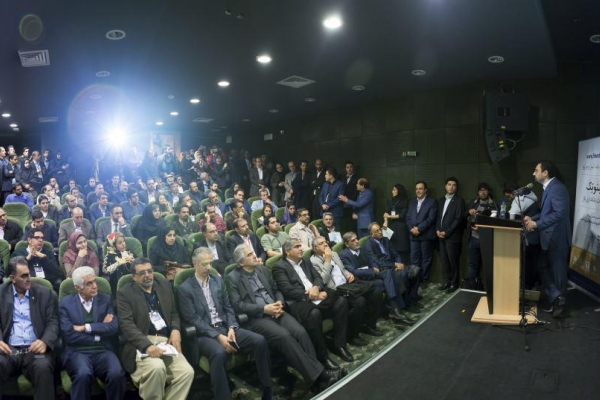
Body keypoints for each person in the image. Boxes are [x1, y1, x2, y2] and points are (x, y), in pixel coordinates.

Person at [226, 244, 341, 391]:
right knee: (285, 336)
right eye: (249, 255)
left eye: (253, 252)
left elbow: (276, 289)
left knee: (300, 332)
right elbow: (237, 305)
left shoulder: (262, 269)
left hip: (277, 310)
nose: (254, 255)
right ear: (241, 262)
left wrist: (279, 302)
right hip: (258, 318)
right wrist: (264, 309)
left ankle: (314, 379)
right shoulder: (232, 278)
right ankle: (320, 375)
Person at [177, 247, 274, 400]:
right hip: (204, 334)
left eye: (210, 263)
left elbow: (228, 308)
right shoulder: (185, 289)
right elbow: (193, 319)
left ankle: (268, 389)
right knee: (219, 352)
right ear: (194, 263)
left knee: (259, 341)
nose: (209, 267)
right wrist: (218, 336)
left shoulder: (218, 280)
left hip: (225, 327)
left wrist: (232, 328)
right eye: (204, 264)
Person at [117, 257, 194, 400]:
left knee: (186, 372)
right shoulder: (125, 293)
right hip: (141, 342)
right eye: (142, 273)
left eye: (149, 271)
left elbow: (174, 313)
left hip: (166, 342)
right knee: (157, 368)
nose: (147, 275)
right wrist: (146, 345)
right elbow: (127, 325)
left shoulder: (163, 285)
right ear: (134, 277)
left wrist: (175, 330)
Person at [273, 239, 352, 370]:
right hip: (300, 301)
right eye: (297, 246)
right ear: (287, 252)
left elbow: (317, 277)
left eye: (300, 246)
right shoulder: (279, 267)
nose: (301, 248)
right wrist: (310, 295)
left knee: (341, 301)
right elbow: (287, 290)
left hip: (317, 294)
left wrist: (316, 287)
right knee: (314, 314)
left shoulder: (305, 260)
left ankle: (339, 345)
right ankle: (323, 356)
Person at [58, 267, 127, 400]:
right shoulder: (66, 303)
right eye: (89, 284)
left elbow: (113, 327)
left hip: (103, 350)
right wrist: (99, 333)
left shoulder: (105, 300)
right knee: (83, 374)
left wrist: (86, 327)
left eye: (94, 281)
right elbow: (69, 335)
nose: (95, 286)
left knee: (116, 374)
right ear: (78, 287)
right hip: (77, 351)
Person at [0, 256, 59, 400]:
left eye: (29, 274)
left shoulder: (45, 293)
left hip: (34, 351)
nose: (29, 279)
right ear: (12, 278)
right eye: (24, 276)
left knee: (43, 366)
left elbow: (53, 322)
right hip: (9, 350)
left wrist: (44, 341)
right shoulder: (1, 293)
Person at [310, 236, 384, 346]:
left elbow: (343, 269)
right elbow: (322, 281)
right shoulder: (313, 261)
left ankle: (369, 324)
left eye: (325, 242)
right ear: (315, 249)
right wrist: (327, 261)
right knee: (359, 301)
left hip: (348, 284)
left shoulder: (334, 253)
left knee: (376, 292)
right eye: (321, 243)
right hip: (336, 290)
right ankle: (352, 335)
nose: (325, 244)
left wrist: (348, 274)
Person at [524, 161, 571, 317]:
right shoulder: (548, 188)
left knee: (558, 274)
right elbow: (547, 213)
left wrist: (537, 224)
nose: (533, 173)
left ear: (545, 172)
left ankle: (560, 306)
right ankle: (556, 297)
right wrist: (533, 218)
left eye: (536, 170)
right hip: (549, 238)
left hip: (557, 238)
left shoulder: (557, 188)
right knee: (542, 266)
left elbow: (559, 214)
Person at [362, 223, 420, 323]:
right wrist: (394, 265)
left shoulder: (385, 240)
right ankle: (405, 304)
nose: (380, 232)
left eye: (380, 229)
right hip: (383, 269)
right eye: (376, 231)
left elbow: (395, 254)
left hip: (394, 266)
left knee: (416, 270)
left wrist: (399, 264)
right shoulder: (368, 245)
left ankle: (412, 298)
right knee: (403, 275)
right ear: (371, 234)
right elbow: (376, 262)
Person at [503, 182, 540, 289]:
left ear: (513, 192)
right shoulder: (530, 196)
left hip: (529, 238)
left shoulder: (520, 199)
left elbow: (511, 217)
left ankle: (527, 289)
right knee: (532, 265)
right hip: (535, 236)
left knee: (527, 265)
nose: (509, 199)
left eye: (509, 196)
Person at [406, 181, 438, 287]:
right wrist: (411, 229)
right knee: (414, 258)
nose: (418, 191)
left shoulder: (432, 201)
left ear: (425, 190)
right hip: (413, 235)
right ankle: (414, 280)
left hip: (426, 235)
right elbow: (408, 217)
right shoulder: (412, 202)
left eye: (420, 189)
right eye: (416, 189)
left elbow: (431, 219)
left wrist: (419, 228)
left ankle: (424, 280)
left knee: (426, 259)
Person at [436, 177, 465, 293]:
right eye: (449, 184)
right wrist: (437, 230)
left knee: (453, 261)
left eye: (454, 185)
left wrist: (446, 232)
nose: (451, 187)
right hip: (440, 235)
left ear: (456, 187)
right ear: (445, 186)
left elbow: (458, 219)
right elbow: (438, 217)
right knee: (444, 261)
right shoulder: (441, 200)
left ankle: (454, 283)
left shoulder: (459, 200)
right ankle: (447, 281)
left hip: (452, 237)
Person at [466, 182, 498, 283]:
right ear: (478, 192)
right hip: (474, 238)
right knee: (472, 264)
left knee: (488, 265)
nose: (483, 192)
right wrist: (469, 212)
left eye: (485, 190)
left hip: (487, 239)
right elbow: (465, 217)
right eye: (480, 190)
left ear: (488, 192)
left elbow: (496, 222)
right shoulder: (473, 203)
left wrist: (481, 227)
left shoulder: (494, 205)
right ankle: (471, 285)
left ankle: (486, 286)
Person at [383, 183, 410, 262]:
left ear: (399, 191)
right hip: (392, 226)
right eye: (392, 190)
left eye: (394, 190)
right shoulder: (392, 201)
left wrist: (390, 216)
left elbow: (402, 215)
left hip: (401, 227)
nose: (392, 191)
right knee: (392, 248)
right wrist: (385, 221)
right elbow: (386, 212)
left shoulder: (405, 201)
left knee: (401, 249)